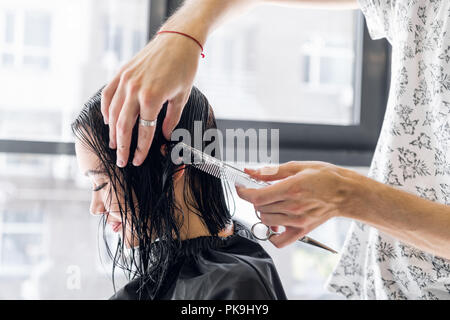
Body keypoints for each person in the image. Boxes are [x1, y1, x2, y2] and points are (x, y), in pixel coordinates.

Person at [99, 0, 450, 299]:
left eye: (99, 182)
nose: (94, 205)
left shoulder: (232, 284)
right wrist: (189, 26)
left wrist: (349, 195)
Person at [71, 85, 287, 300]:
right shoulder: (169, 275)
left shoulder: (236, 289)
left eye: (102, 184)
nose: (95, 208)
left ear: (169, 166)